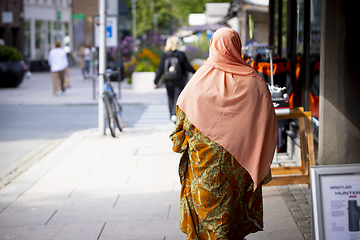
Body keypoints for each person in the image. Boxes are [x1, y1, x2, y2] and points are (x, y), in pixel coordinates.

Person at [169, 28, 278, 239]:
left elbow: (181, 123)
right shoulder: (256, 82)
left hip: (204, 166)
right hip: (240, 165)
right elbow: (267, 125)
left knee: (208, 213)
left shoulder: (198, 82)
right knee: (233, 212)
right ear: (237, 46)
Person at [154, 36, 196, 123]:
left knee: (170, 97)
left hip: (168, 80)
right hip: (180, 80)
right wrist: (196, 74)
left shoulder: (165, 55)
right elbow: (187, 66)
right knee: (178, 97)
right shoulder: (181, 54)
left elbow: (160, 69)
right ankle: (175, 114)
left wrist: (156, 81)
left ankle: (171, 115)